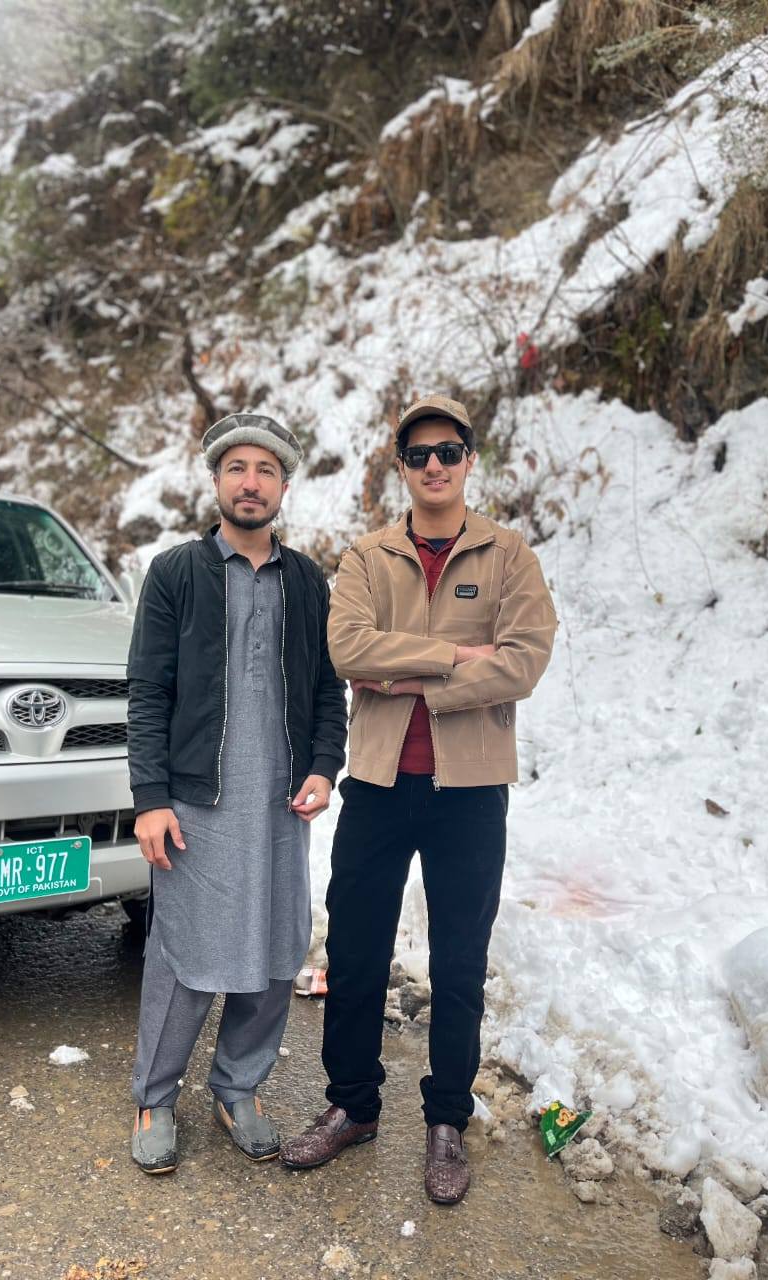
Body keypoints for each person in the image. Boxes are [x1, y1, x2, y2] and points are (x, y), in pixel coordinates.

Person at [280, 394, 557, 1204]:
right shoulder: (368, 557)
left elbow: (524, 661)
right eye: (419, 454)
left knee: (461, 961)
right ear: (401, 467)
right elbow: (347, 649)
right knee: (356, 949)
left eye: (448, 451)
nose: (435, 465)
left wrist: (413, 681)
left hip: (470, 791)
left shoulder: (509, 556)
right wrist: (455, 656)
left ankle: (446, 1123)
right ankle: (352, 1106)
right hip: (377, 780)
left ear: (470, 460)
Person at [126, 412, 347, 1174]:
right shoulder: (176, 573)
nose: (251, 483)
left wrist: (325, 764)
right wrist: (150, 796)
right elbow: (147, 692)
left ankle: (238, 1087)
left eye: (266, 470)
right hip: (197, 802)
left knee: (277, 948)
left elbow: (328, 690)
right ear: (217, 481)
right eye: (237, 468)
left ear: (283, 486)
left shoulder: (307, 581)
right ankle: (155, 1095)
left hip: (281, 803)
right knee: (185, 953)